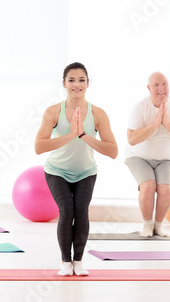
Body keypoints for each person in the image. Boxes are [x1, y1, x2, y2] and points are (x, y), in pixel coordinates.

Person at [35, 62, 118, 276]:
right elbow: (39, 147)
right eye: (71, 80)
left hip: (86, 172)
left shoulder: (98, 114)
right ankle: (65, 261)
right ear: (64, 84)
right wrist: (70, 135)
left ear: (88, 84)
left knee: (81, 211)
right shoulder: (53, 112)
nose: (76, 84)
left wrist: (84, 135)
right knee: (66, 210)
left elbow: (113, 151)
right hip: (57, 171)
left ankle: (78, 261)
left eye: (81, 80)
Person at [124, 72, 170, 238]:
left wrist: (166, 123)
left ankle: (158, 226)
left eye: (165, 84)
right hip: (139, 157)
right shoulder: (140, 107)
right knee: (148, 186)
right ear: (148, 88)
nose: (161, 89)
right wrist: (154, 125)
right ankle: (147, 225)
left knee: (166, 190)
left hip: (165, 159)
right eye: (156, 85)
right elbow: (131, 139)